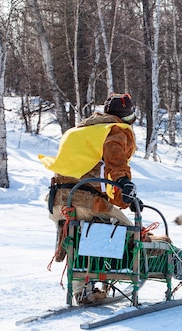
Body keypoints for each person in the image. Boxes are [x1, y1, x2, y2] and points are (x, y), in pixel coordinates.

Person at [39, 93, 139, 304]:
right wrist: (126, 185)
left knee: (77, 236)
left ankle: (82, 290)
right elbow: (116, 162)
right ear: (126, 118)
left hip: (58, 201)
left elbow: (90, 171)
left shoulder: (78, 131)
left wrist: (124, 199)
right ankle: (111, 277)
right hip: (85, 200)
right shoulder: (114, 131)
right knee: (129, 233)